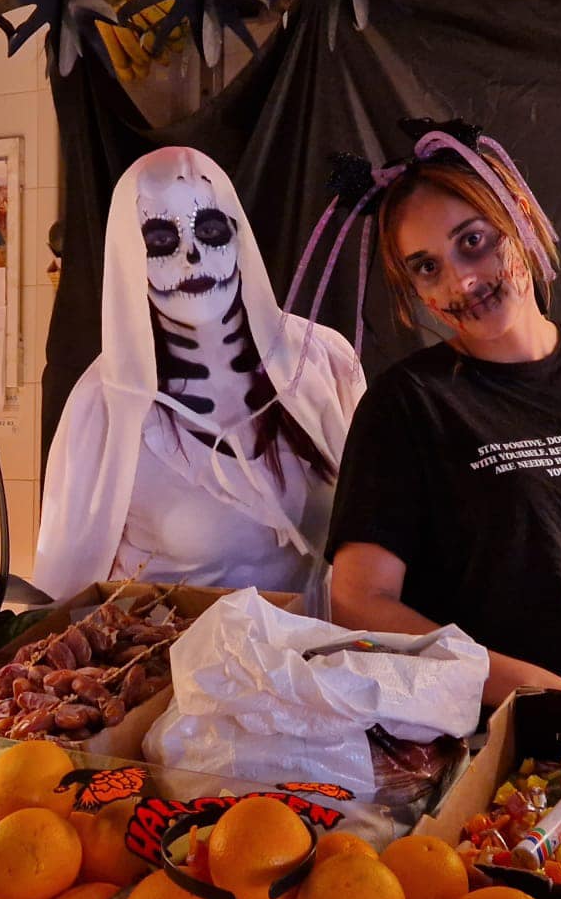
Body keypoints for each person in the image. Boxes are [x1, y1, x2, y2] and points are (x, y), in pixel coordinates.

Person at [325, 121, 561, 703]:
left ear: (518, 217)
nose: (462, 282)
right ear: (414, 291)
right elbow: (358, 601)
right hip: (517, 727)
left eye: (473, 241)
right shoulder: (408, 404)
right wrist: (547, 694)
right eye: (427, 267)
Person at [35, 146, 365, 612]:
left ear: (237, 235)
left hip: (315, 669)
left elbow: (380, 529)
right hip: (173, 675)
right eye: (160, 240)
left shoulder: (320, 361)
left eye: (208, 231)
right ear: (130, 257)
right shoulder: (107, 402)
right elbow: (66, 586)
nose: (191, 254)